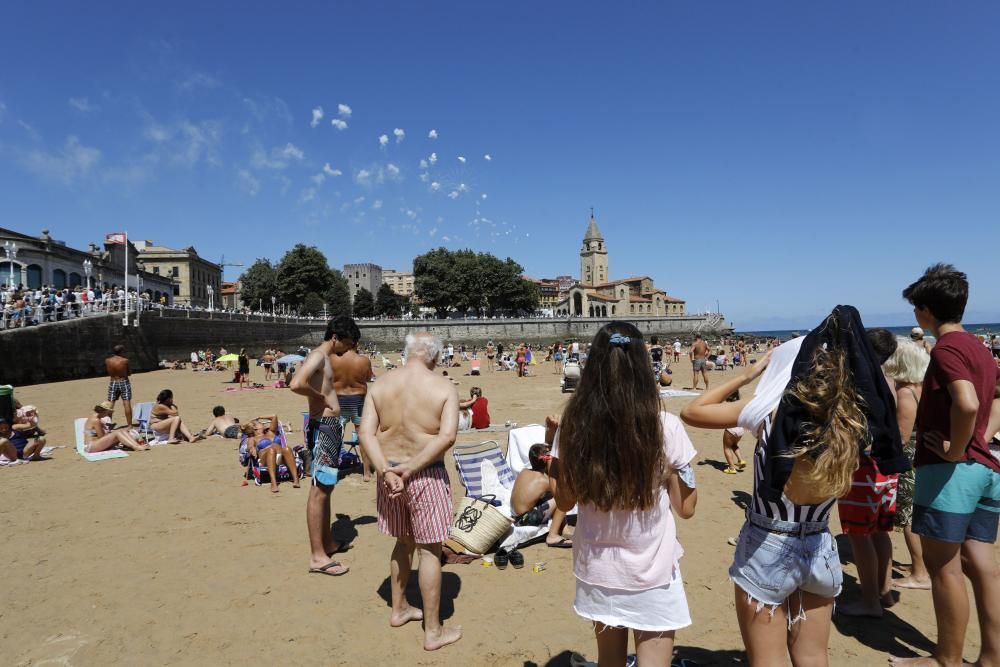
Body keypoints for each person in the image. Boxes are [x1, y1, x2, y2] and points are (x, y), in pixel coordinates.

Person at [680, 306, 907, 666]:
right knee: (814, 657)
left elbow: (693, 411)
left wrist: (749, 374)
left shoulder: (769, 411)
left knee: (767, 660)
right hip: (819, 544)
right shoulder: (855, 421)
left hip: (768, 542)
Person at [549, 322, 698, 667]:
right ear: (644, 368)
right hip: (653, 572)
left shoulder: (575, 425)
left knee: (609, 662)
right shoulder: (665, 426)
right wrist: (675, 469)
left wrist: (556, 454)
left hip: (598, 570)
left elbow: (564, 501)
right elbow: (686, 508)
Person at [891, 264, 1000, 667]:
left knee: (945, 569)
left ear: (925, 311)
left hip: (951, 471)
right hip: (986, 469)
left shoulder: (949, 348)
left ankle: (947, 658)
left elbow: (967, 402)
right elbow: (994, 397)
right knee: (983, 566)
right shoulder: (980, 350)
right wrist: (982, 438)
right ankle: (991, 656)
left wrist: (956, 448)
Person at [359, 332, 463, 651]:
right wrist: (413, 467)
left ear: (406, 353)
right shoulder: (443, 387)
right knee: (429, 550)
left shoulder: (380, 385)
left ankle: (399, 609)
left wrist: (385, 470)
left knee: (403, 542)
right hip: (425, 474)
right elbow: (446, 437)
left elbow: (365, 433)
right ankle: (432, 631)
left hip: (389, 473)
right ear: (435, 356)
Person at [836, 329, 900, 618]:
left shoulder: (861, 384)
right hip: (887, 467)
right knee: (881, 532)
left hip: (863, 470)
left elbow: (853, 431)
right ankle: (884, 592)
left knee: (859, 536)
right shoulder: (889, 382)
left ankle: (870, 600)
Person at [291, 316, 355, 577]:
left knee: (326, 487)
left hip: (329, 427)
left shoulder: (325, 358)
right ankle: (318, 556)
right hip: (324, 428)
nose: (348, 349)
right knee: (319, 490)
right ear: (336, 337)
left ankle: (327, 542)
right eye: (348, 344)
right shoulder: (318, 356)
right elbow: (296, 383)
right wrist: (319, 398)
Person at [883, 338, 932, 591]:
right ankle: (919, 566)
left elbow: (901, 438)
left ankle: (920, 572)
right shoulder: (921, 386)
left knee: (908, 515)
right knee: (915, 513)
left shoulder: (905, 391)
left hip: (909, 459)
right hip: (921, 455)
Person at [330, 332, 374, 482]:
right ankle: (367, 472)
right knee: (363, 437)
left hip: (339, 399)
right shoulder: (363, 360)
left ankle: (333, 471)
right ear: (356, 344)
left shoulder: (333, 359)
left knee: (336, 437)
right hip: (358, 400)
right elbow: (368, 377)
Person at [510, 443, 571, 548]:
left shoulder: (524, 471)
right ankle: (553, 535)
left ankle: (564, 528)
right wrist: (552, 467)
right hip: (526, 520)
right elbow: (561, 491)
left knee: (551, 496)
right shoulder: (544, 481)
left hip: (516, 517)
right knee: (562, 497)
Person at [241, 415, 300, 493]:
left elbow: (274, 416)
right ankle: (274, 483)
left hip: (279, 456)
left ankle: (296, 479)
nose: (263, 423)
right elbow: (250, 447)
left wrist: (260, 417)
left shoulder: (271, 432)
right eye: (260, 423)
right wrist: (252, 449)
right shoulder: (253, 439)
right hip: (265, 459)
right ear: (255, 428)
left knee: (287, 449)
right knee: (271, 450)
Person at [105, 344, 133, 429]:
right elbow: (129, 373)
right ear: (121, 351)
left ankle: (108, 426)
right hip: (123, 381)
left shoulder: (107, 360)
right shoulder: (125, 360)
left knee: (110, 404)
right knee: (126, 403)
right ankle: (129, 425)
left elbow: (109, 372)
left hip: (113, 382)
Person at [721, 392, 747, 475]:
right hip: (741, 429)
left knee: (727, 448)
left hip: (731, 429)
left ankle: (732, 468)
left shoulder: (727, 405)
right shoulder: (741, 404)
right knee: (734, 445)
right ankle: (740, 460)